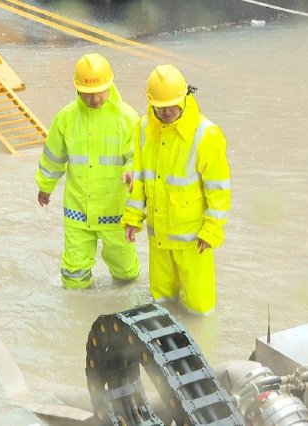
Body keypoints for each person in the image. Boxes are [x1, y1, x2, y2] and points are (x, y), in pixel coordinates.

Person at [122, 64, 231, 315]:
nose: (168, 111)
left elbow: (219, 191)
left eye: (173, 105)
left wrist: (211, 231)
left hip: (194, 241)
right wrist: (132, 219)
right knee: (162, 305)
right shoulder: (142, 129)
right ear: (151, 103)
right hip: (158, 238)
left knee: (199, 311)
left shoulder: (207, 135)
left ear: (185, 97)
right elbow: (139, 179)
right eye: (161, 107)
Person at [35, 53, 140, 289]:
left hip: (115, 211)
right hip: (78, 211)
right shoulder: (65, 118)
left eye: (100, 91)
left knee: (126, 274)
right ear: (77, 89)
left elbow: (138, 155)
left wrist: (132, 171)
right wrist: (45, 186)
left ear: (111, 85)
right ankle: (76, 314)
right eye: (88, 93)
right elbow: (53, 157)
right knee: (73, 275)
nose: (94, 98)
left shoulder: (128, 118)